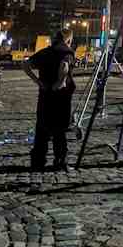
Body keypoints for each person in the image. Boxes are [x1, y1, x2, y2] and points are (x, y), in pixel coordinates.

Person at [23, 29, 76, 171]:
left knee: (42, 129)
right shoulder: (67, 52)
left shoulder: (45, 52)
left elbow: (26, 64)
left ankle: (38, 161)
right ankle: (59, 160)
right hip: (60, 97)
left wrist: (39, 82)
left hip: (44, 95)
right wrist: (60, 82)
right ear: (68, 40)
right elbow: (64, 66)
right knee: (59, 130)